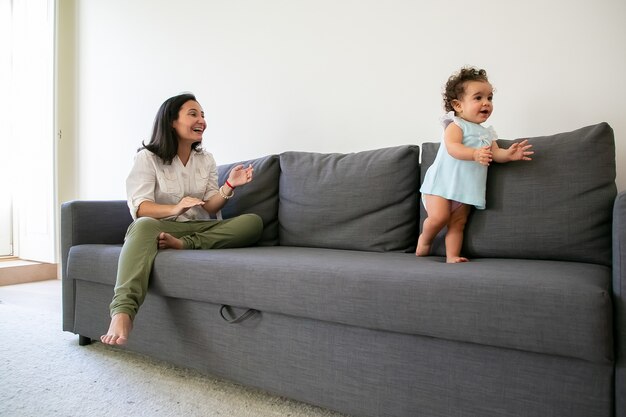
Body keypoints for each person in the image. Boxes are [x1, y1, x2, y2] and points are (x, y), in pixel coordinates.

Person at [101, 93, 263, 345]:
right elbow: (141, 207)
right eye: (193, 114)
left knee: (253, 222)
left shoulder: (206, 159)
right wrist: (175, 208)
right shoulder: (148, 157)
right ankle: (122, 311)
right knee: (142, 226)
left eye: (203, 115)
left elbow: (210, 205)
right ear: (171, 121)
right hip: (162, 227)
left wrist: (230, 184)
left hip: (199, 229)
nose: (202, 120)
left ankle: (186, 244)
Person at [416, 67, 533, 263]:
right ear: (458, 105)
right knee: (439, 217)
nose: (486, 103)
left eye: (489, 98)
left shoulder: (487, 133)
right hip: (442, 184)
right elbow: (452, 147)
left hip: (466, 189)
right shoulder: (455, 125)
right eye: (478, 98)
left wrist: (509, 155)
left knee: (458, 224)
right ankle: (425, 240)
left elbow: (495, 153)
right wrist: (474, 153)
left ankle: (452, 256)